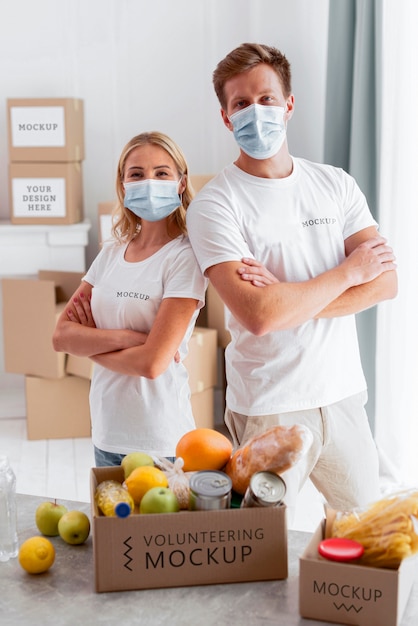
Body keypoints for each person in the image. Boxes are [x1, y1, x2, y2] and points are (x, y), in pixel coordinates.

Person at [186, 43, 398, 515]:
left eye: (266, 99)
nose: (255, 112)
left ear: (289, 104)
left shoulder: (335, 184)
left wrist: (287, 298)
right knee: (255, 543)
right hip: (269, 401)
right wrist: (346, 273)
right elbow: (259, 316)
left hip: (342, 394)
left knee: (364, 532)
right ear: (225, 116)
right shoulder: (215, 205)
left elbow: (385, 283)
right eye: (241, 103)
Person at [53, 131, 207, 467]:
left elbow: (152, 366)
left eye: (161, 173)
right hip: (106, 432)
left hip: (160, 440)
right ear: (123, 186)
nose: (148, 182)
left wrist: (90, 343)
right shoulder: (111, 253)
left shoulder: (184, 257)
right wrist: (130, 340)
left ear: (181, 183)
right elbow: (61, 337)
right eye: (136, 174)